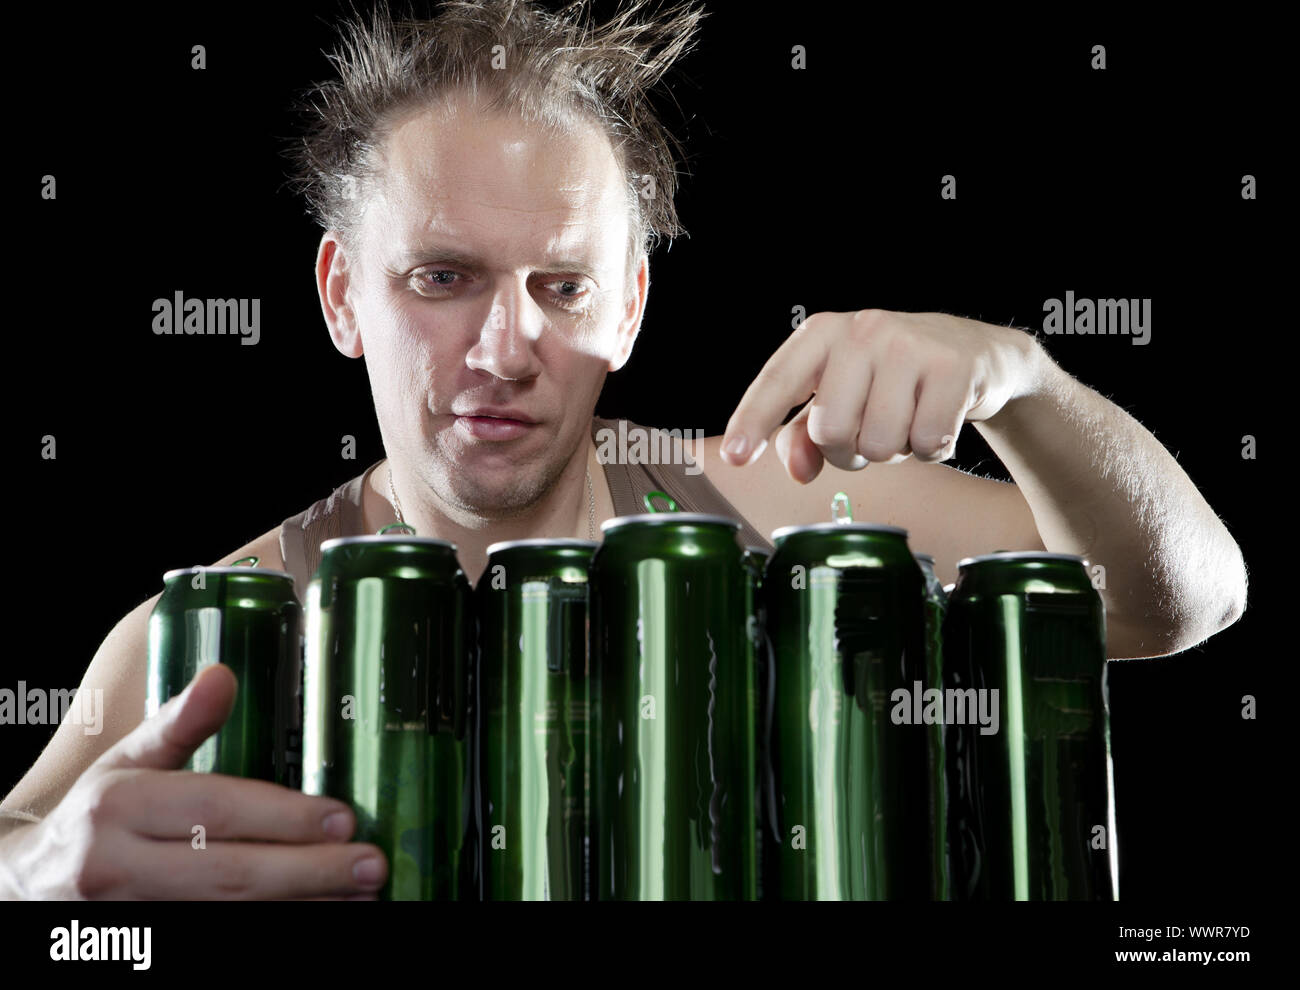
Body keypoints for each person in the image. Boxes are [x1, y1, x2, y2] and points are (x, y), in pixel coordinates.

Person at [0, 0, 1246, 899]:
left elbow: (1181, 598)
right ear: (341, 297)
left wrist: (1021, 382)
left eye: (562, 286)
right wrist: (56, 902)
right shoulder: (231, 623)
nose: (503, 345)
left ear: (633, 308)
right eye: (441, 277)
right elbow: (24, 858)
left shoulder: (785, 506)